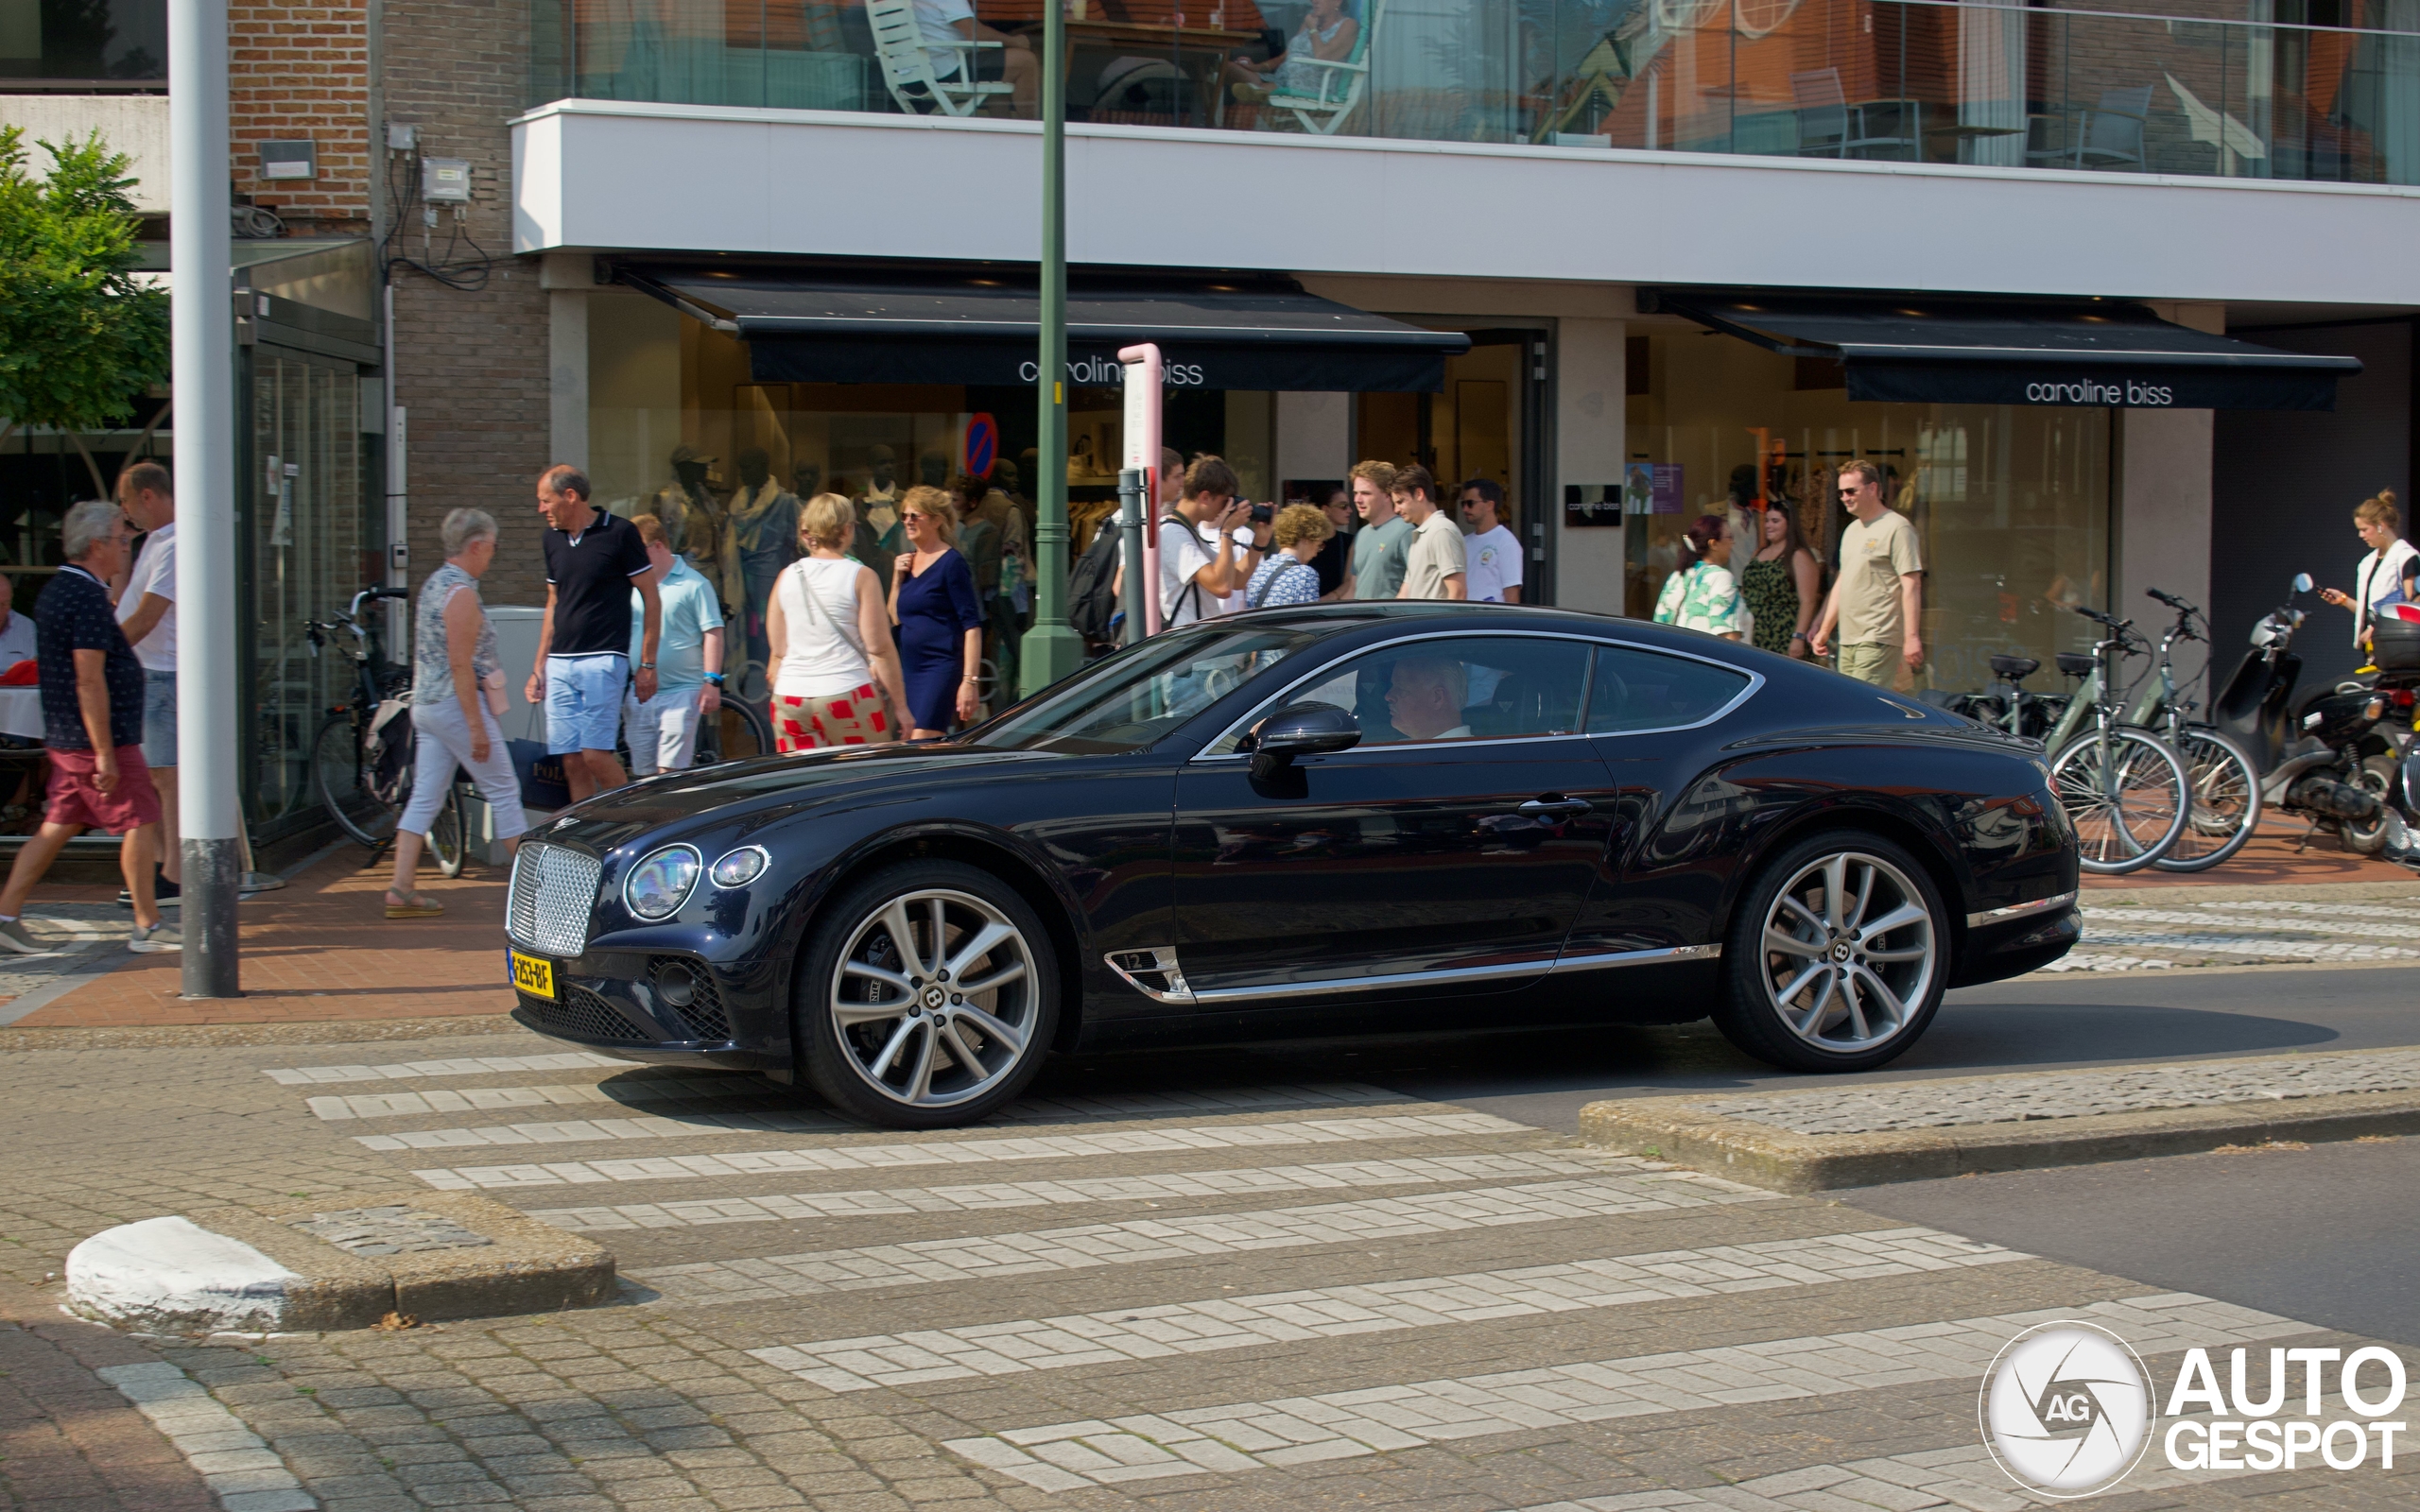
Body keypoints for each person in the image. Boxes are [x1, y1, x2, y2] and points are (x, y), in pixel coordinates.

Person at [0, 501, 176, 954]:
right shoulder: (85, 598)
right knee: (141, 818)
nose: (126, 548)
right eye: (121, 539)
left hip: (68, 736)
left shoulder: (61, 590)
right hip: (98, 739)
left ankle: (6, 913)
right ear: (97, 545)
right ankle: (147, 924)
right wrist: (105, 753)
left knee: (57, 824)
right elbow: (88, 678)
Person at [385, 509, 529, 919]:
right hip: (454, 705)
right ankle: (537, 891)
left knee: (426, 795)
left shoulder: (435, 584)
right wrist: (476, 727)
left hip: (427, 705)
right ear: (477, 545)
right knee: (503, 790)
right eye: (492, 547)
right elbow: (461, 664)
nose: (493, 556)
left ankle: (401, 887)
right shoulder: (461, 593)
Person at [526, 465, 661, 802]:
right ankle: (586, 839)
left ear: (570, 496)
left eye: (546, 501)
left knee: (595, 755)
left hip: (603, 659)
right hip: (559, 664)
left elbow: (651, 597)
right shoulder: (551, 540)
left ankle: (635, 821)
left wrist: (648, 664)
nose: (541, 509)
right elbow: (553, 603)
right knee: (571, 760)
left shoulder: (620, 533)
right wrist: (538, 667)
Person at [768, 493, 909, 751]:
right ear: (846, 529)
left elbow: (779, 649)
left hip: (790, 696)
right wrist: (901, 707)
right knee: (869, 778)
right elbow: (879, 648)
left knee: (805, 785)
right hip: (846, 691)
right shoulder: (861, 576)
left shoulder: (785, 576)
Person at [110, 461, 180, 904]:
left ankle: (173, 872)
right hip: (147, 671)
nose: (126, 512)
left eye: (127, 502)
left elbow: (149, 614)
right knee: (155, 775)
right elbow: (127, 601)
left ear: (147, 496)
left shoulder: (174, 544)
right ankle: (160, 865)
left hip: (162, 672)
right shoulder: (155, 541)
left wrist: (106, 655)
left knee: (166, 776)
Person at [621, 514, 725, 776]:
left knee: (669, 774)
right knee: (642, 777)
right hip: (641, 693)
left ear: (658, 546)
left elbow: (713, 631)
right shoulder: (632, 586)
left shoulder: (695, 584)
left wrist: (711, 681)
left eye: (637, 550)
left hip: (681, 692)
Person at [1809, 460, 1924, 685]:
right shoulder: (1851, 530)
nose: (1845, 497)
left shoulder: (1898, 528)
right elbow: (1842, 583)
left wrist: (1911, 637)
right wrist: (1824, 630)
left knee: (1860, 709)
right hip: (1848, 639)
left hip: (1878, 636)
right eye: (1841, 492)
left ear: (1872, 488)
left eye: (1851, 491)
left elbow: (1912, 584)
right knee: (1854, 708)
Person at [888, 486, 986, 738]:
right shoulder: (908, 562)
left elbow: (972, 626)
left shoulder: (951, 563)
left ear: (937, 520)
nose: (908, 521)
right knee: (908, 744)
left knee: (922, 741)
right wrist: (897, 579)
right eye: (905, 516)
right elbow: (896, 616)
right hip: (908, 667)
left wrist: (969, 681)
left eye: (915, 516)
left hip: (939, 666)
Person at [720, 446, 799, 667]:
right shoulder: (738, 503)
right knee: (746, 629)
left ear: (763, 467)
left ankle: (771, 670)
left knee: (768, 627)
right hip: (741, 576)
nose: (742, 473)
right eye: (740, 468)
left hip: (770, 577)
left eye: (747, 467)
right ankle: (749, 672)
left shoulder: (785, 502)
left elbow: (797, 543)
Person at [1161, 455, 1256, 628]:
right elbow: (1221, 587)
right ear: (1205, 497)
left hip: (1193, 641)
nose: (1225, 510)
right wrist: (1227, 532)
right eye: (1223, 502)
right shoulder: (1173, 534)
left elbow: (1236, 580)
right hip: (1184, 644)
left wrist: (1260, 541)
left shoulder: (1188, 531)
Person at [2318, 490, 2418, 654]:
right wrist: (2343, 600)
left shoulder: (2406, 557)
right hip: (2374, 650)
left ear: (2381, 525)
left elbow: (2413, 606)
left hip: (2397, 649)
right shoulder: (2367, 563)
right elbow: (2369, 612)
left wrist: (2377, 628)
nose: (2361, 535)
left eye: (2364, 529)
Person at [911, 0, 1040, 115]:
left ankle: (1001, 127)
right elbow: (974, 32)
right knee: (1026, 61)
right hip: (947, 68)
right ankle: (1036, 133)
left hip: (924, 68)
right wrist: (1014, 41)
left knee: (996, 62)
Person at [1225, 0, 1359, 103]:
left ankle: (1259, 92)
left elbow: (1322, 56)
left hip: (1313, 86)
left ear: (1337, 1)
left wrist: (1313, 29)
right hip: (1283, 77)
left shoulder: (1348, 25)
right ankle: (1258, 92)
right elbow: (1284, 57)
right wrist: (1256, 67)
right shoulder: (1310, 21)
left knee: (1255, 88)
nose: (1314, 1)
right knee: (1228, 68)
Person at [1741, 502, 1823, 658]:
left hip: (1783, 634)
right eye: (1767, 521)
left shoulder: (1799, 556)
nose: (1768, 526)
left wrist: (1798, 637)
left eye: (1775, 521)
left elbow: (1808, 601)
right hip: (1754, 633)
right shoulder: (1759, 553)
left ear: (1789, 524)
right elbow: (1746, 591)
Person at [1652, 514, 1746, 640]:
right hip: (1707, 658)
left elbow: (1659, 628)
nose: (1733, 543)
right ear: (1714, 544)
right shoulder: (1721, 577)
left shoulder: (1677, 576)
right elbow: (1729, 638)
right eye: (1730, 537)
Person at [1393, 465, 1467, 601]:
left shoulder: (1442, 531)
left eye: (1400, 501)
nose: (1396, 510)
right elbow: (1405, 593)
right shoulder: (1421, 534)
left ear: (1419, 494)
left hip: (1435, 622)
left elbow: (1458, 592)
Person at [1243, 504, 1336, 610]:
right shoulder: (1305, 574)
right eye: (1319, 544)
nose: (1317, 552)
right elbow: (1308, 619)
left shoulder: (1259, 569)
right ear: (1306, 538)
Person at [1344, 460, 1411, 600]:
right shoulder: (1362, 534)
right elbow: (1353, 588)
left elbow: (1416, 581)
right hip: (1362, 618)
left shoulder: (1405, 531)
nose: (1357, 499)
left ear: (1387, 495)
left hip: (1390, 619)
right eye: (1356, 493)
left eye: (1366, 493)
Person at [1457, 478, 1522, 605]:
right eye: (1462, 504)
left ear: (1489, 505)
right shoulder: (1464, 542)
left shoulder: (1506, 542)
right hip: (1466, 617)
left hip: (1491, 619)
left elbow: (1512, 593)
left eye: (1470, 503)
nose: (1465, 509)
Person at [1384, 656, 1473, 743]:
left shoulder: (1461, 755)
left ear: (1437, 698)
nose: (1388, 696)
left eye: (1401, 689)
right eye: (1393, 686)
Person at [1314, 488, 1355, 600]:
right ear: (1326, 510)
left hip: (1335, 608)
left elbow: (1351, 580)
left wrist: (1330, 597)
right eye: (1343, 506)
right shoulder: (1306, 541)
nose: (1350, 510)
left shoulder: (1349, 541)